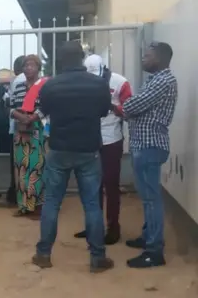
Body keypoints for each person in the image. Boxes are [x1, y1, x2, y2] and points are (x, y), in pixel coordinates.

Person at [32, 41, 115, 273]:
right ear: (82, 58)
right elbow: (103, 111)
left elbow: (44, 112)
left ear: (60, 60)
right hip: (88, 150)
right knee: (91, 205)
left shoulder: (51, 85)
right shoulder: (98, 84)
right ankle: (97, 258)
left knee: (52, 203)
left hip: (58, 149)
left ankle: (43, 254)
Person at [121, 42, 177, 268]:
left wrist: (127, 107)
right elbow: (133, 108)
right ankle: (148, 237)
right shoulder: (154, 80)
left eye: (148, 56)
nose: (143, 59)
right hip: (144, 145)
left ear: (161, 58)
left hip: (150, 145)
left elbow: (132, 105)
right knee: (147, 198)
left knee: (151, 199)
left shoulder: (163, 81)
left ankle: (154, 251)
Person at [73, 55, 133, 245]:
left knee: (110, 185)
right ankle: (93, 225)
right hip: (89, 138)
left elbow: (129, 108)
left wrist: (113, 107)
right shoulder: (81, 82)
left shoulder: (120, 82)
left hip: (111, 140)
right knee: (91, 185)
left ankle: (113, 228)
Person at [9, 55, 47, 218]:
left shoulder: (44, 87)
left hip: (37, 131)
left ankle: (37, 205)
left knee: (37, 167)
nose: (28, 68)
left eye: (31, 65)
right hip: (20, 132)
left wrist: (32, 117)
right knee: (21, 168)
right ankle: (24, 205)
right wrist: (20, 117)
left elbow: (46, 107)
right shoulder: (18, 87)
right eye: (25, 65)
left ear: (38, 68)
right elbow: (10, 108)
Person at [0, 56, 26, 208]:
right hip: (27, 127)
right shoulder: (27, 80)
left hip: (17, 127)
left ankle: (15, 196)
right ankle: (15, 193)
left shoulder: (18, 80)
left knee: (16, 163)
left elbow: (12, 104)